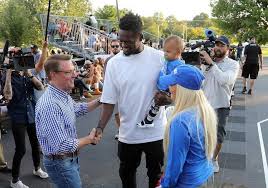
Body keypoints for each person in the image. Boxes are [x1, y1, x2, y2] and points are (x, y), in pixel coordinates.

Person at [96, 13, 166, 188]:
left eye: (129, 40)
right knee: (126, 174)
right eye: (121, 39)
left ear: (140, 37)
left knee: (156, 176)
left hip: (156, 131)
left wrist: (168, 100)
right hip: (128, 133)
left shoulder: (160, 58)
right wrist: (100, 127)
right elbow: (109, 101)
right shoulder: (113, 64)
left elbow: (174, 91)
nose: (123, 44)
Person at [35, 54, 101, 188]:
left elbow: (77, 109)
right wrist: (89, 139)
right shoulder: (50, 105)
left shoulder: (62, 95)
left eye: (74, 70)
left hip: (67, 160)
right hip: (60, 163)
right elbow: (61, 145)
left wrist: (101, 100)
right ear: (53, 75)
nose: (75, 75)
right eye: (69, 72)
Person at [157, 64, 217, 187]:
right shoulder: (204, 110)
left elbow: (175, 165)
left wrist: (165, 185)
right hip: (204, 175)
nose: (169, 87)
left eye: (172, 83)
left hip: (187, 183)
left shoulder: (180, 121)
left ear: (182, 88)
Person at [3, 58, 48, 188]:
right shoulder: (8, 77)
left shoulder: (28, 76)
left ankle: (37, 168)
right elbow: (7, 96)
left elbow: (40, 87)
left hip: (31, 114)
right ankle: (15, 180)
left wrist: (30, 74)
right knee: (21, 149)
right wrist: (8, 74)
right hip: (18, 117)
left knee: (36, 144)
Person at [200, 36, 239, 173]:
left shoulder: (233, 64)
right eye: (216, 45)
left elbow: (224, 80)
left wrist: (211, 63)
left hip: (221, 105)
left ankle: (214, 159)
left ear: (228, 49)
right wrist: (203, 64)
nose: (218, 47)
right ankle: (202, 158)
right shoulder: (206, 62)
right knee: (201, 133)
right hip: (203, 104)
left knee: (218, 136)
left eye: (222, 45)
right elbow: (199, 81)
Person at [137, 35, 184, 127]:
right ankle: (149, 120)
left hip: (167, 89)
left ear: (178, 53)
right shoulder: (166, 60)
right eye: (164, 50)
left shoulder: (179, 65)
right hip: (161, 86)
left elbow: (177, 78)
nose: (165, 53)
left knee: (157, 103)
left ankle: (149, 120)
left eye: (168, 51)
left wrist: (165, 82)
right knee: (155, 105)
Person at [104, 39, 121, 139]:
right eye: (113, 46)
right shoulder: (108, 60)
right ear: (110, 48)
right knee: (117, 113)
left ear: (120, 47)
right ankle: (121, 130)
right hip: (114, 90)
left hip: (125, 89)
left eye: (117, 46)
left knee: (125, 111)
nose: (115, 48)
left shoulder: (125, 58)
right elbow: (106, 75)